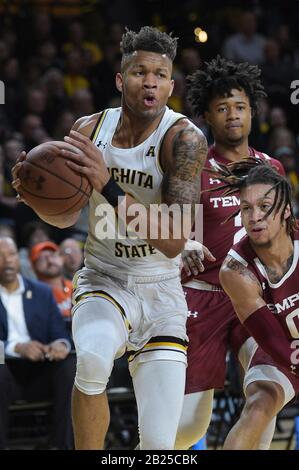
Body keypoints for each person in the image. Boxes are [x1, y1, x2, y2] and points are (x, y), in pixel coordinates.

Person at [12, 26, 207, 450]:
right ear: (121, 80)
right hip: (105, 279)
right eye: (140, 72)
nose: (150, 81)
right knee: (94, 361)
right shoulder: (88, 128)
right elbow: (64, 218)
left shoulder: (184, 139)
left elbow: (175, 240)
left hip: (161, 292)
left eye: (159, 74)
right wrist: (35, 196)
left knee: (158, 448)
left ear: (171, 86)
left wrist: (111, 186)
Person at [175, 56, 293, 450]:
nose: (232, 116)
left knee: (264, 400)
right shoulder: (193, 169)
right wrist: (178, 249)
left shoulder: (271, 167)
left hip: (256, 300)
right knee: (190, 425)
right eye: (222, 108)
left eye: (239, 107)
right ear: (207, 115)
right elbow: (172, 235)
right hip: (203, 298)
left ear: (252, 111)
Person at [218, 158, 299, 444]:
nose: (254, 216)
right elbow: (274, 343)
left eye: (265, 207)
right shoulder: (236, 271)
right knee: (259, 405)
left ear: (286, 210)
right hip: (280, 346)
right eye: (246, 208)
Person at [0, 236, 76, 449]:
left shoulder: (42, 292)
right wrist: (16, 348)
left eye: (12, 254)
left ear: (19, 258)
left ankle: (62, 445)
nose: (7, 261)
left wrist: (60, 345)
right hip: (7, 375)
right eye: (0, 256)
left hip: (42, 371)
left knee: (71, 366)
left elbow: (60, 333)